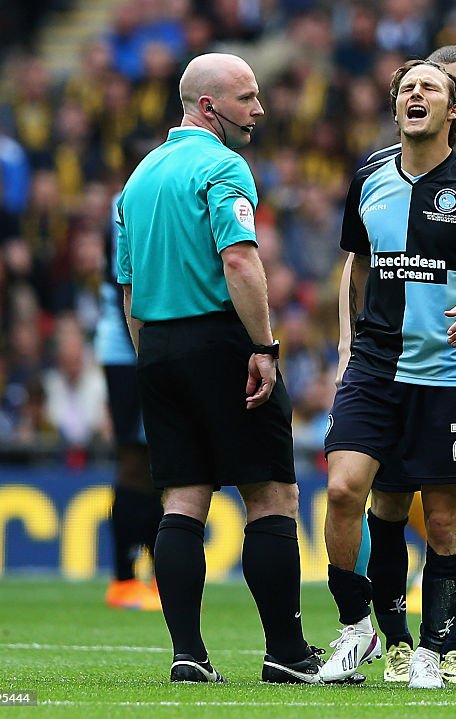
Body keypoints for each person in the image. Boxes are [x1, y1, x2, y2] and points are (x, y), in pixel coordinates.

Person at [321, 58, 456, 689]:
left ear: (454, 110)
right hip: (377, 365)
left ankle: (436, 649)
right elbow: (358, 264)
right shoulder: (367, 178)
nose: (415, 95)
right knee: (345, 490)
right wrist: (349, 341)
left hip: (450, 370)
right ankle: (358, 628)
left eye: (430, 89)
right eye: (406, 88)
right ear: (395, 107)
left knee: (444, 519)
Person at [117, 52, 323, 685]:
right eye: (247, 98)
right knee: (271, 492)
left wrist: (151, 356)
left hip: (156, 346)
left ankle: (188, 655)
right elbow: (239, 261)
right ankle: (286, 653)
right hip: (222, 342)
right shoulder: (222, 166)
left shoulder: (138, 179)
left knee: (183, 496)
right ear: (208, 106)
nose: (258, 109)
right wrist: (263, 347)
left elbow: (128, 290)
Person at [96, 189, 163, 612]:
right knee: (135, 461)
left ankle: (157, 578)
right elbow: (121, 281)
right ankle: (123, 578)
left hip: (148, 336)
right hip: (127, 346)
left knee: (161, 463)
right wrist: (144, 351)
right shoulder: (124, 202)